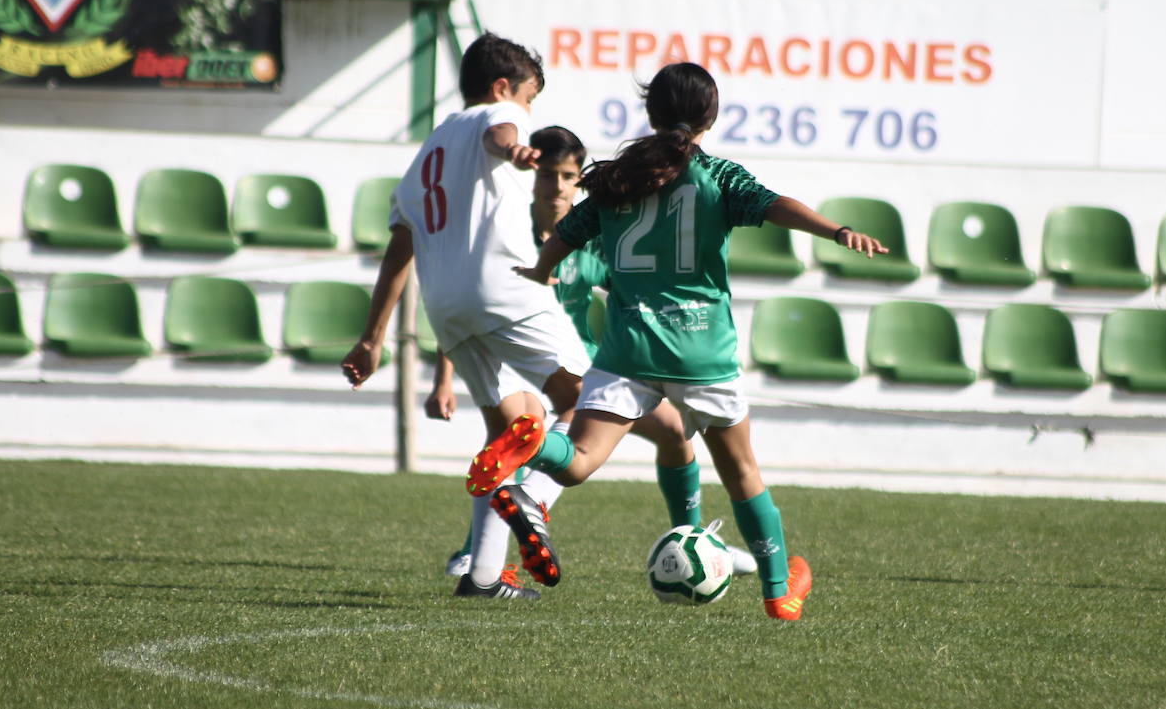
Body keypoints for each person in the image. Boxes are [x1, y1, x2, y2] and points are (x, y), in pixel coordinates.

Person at [466, 62, 888, 620]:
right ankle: (778, 590)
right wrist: (835, 230)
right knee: (742, 473)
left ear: (651, 113)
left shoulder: (620, 178)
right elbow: (774, 205)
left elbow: (568, 232)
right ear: (711, 116)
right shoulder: (717, 176)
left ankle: (536, 444)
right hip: (700, 352)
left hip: (628, 350)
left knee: (580, 460)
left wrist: (543, 269)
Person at [435, 125, 755, 578]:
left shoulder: (596, 235)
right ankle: (479, 550)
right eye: (547, 174)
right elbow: (466, 308)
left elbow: (639, 284)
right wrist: (444, 378)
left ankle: (693, 543)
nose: (558, 186)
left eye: (568, 176)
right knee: (519, 431)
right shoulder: (505, 236)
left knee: (675, 433)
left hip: (584, 367)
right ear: (530, 177)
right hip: (522, 369)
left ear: (579, 180)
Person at [341, 32, 589, 600]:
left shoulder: (427, 152)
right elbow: (501, 132)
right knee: (588, 402)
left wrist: (372, 338)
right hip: (503, 286)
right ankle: (534, 501)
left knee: (509, 427)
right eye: (529, 98)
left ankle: (482, 576)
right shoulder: (502, 117)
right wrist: (515, 150)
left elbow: (399, 248)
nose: (528, 111)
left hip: (445, 306)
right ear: (503, 88)